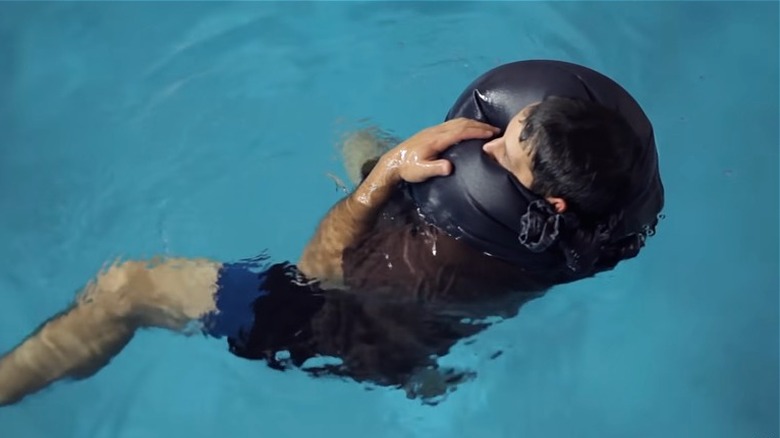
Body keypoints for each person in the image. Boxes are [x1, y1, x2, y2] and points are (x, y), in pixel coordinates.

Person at [0, 60, 664, 406]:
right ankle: (422, 373)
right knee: (361, 141)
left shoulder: (438, 253)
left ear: (549, 200)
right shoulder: (592, 232)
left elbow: (317, 269)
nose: (481, 150)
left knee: (128, 288)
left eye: (500, 154)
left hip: (332, 329)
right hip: (430, 320)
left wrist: (386, 177)